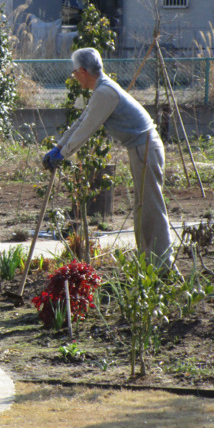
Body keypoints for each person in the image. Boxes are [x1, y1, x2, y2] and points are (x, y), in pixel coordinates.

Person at [43, 47, 173, 268]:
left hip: (146, 147)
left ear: (83, 71)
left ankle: (163, 265)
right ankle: (150, 262)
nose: (74, 77)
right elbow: (81, 121)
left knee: (151, 207)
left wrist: (63, 155)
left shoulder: (105, 93)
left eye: (74, 73)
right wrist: (59, 147)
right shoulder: (102, 89)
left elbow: (87, 128)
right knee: (143, 208)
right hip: (141, 148)